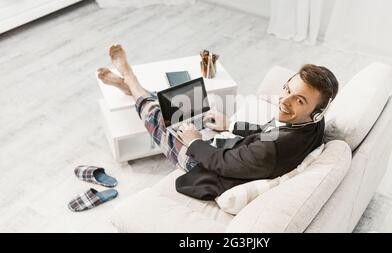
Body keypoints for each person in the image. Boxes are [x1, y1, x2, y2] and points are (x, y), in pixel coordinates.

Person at [97, 44, 339, 200]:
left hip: (207, 168)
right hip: (233, 151)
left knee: (159, 117)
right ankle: (135, 89)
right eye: (287, 88)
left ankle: (130, 80)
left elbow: (223, 164)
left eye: (298, 100)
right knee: (183, 109)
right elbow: (268, 132)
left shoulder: (271, 150)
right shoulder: (312, 124)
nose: (283, 100)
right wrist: (230, 125)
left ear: (316, 111)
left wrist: (194, 142)